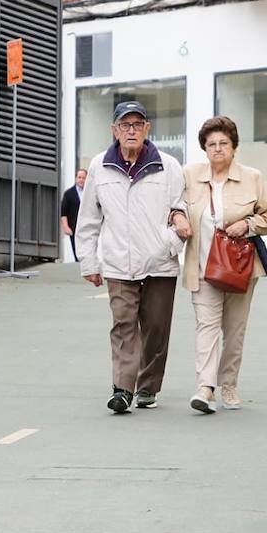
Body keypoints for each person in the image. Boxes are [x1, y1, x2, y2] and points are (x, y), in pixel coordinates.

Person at [75, 101, 192, 414]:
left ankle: (148, 386)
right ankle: (122, 389)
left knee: (156, 328)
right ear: (114, 130)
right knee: (123, 325)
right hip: (118, 264)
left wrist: (168, 244)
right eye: (125, 125)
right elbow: (87, 220)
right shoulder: (100, 166)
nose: (131, 130)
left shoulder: (169, 166)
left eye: (137, 124)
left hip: (159, 263)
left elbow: (180, 210)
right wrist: (89, 262)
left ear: (147, 129)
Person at [181, 116, 267, 414]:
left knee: (234, 331)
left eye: (224, 143)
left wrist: (248, 224)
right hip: (202, 268)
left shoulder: (253, 177)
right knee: (206, 327)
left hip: (240, 270)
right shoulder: (189, 176)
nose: (218, 149)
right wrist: (178, 218)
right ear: (204, 149)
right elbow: (173, 207)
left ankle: (229, 384)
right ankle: (205, 388)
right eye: (211, 144)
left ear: (234, 147)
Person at [59, 168, 87, 260]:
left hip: (88, 228)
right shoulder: (69, 194)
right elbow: (63, 212)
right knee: (77, 254)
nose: (81, 180)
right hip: (74, 228)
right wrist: (66, 227)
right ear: (75, 178)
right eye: (79, 177)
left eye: (84, 178)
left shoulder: (90, 192)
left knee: (88, 253)